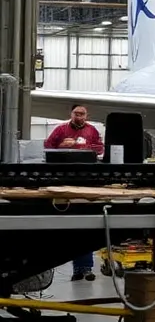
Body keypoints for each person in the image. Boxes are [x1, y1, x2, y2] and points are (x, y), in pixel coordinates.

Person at [44, 104, 104, 282]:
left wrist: (85, 148)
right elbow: (47, 147)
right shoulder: (61, 129)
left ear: (87, 115)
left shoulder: (92, 131)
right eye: (76, 113)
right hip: (63, 182)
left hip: (85, 182)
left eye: (82, 114)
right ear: (70, 114)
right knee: (69, 229)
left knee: (85, 228)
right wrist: (61, 146)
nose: (79, 116)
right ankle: (79, 268)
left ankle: (83, 269)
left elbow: (100, 149)